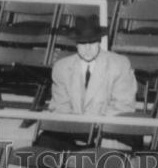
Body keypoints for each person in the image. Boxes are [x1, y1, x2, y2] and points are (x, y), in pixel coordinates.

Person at [37, 15, 137, 151]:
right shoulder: (61, 67)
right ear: (76, 43)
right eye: (83, 43)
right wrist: (76, 127)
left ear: (99, 41)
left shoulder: (119, 64)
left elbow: (123, 106)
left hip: (106, 129)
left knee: (107, 152)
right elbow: (60, 106)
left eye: (92, 43)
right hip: (73, 130)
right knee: (44, 145)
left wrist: (92, 127)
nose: (88, 48)